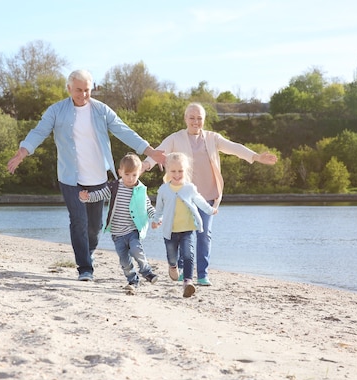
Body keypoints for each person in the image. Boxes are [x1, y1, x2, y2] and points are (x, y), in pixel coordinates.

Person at [7, 69, 166, 282]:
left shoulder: (101, 110)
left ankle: (88, 252)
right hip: (70, 178)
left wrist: (150, 151)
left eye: (87, 90)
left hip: (98, 178)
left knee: (94, 226)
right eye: (78, 90)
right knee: (78, 221)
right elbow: (39, 131)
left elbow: (124, 130)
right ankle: (85, 268)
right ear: (69, 89)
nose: (83, 94)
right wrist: (23, 151)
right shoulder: (56, 111)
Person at [143, 102, 277, 286]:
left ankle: (203, 273)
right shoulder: (176, 138)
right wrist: (143, 166)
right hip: (183, 195)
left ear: (204, 120)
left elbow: (234, 147)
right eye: (192, 118)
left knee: (204, 234)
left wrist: (256, 156)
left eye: (199, 118)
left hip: (208, 194)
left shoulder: (213, 138)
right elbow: (158, 153)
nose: (195, 122)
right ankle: (181, 269)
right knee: (183, 232)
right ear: (185, 119)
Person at [79, 153, 157, 293]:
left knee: (136, 250)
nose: (130, 178)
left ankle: (147, 272)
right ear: (120, 172)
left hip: (133, 230)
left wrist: (156, 218)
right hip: (117, 234)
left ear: (139, 173)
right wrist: (87, 197)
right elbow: (100, 194)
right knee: (124, 261)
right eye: (127, 174)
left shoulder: (140, 190)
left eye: (134, 175)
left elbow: (148, 206)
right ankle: (132, 280)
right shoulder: (114, 187)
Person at [151, 152, 217, 298]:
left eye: (180, 171)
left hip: (187, 229)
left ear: (185, 171)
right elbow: (159, 208)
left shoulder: (190, 188)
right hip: (170, 231)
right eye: (173, 171)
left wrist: (210, 210)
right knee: (172, 256)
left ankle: (188, 282)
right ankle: (173, 266)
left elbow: (200, 201)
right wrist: (156, 220)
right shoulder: (164, 190)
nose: (177, 174)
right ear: (168, 171)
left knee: (188, 254)